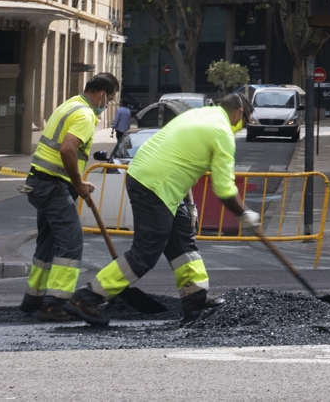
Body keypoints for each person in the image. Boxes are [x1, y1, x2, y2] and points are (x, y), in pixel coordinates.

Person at [76, 91, 258, 325]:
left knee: (183, 242)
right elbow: (223, 188)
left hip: (152, 180)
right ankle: (86, 298)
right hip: (154, 186)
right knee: (146, 252)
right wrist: (244, 213)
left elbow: (182, 160)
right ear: (239, 113)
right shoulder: (221, 131)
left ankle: (195, 301)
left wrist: (188, 204)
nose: (242, 127)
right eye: (245, 122)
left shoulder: (200, 115)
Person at [22, 74, 119, 322]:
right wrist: (78, 183)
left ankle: (34, 298)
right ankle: (55, 304)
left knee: (48, 241)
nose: (107, 105)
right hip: (53, 186)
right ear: (102, 95)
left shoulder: (69, 104)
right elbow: (67, 149)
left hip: (40, 182)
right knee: (71, 243)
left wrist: (76, 183)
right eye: (110, 99)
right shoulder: (86, 115)